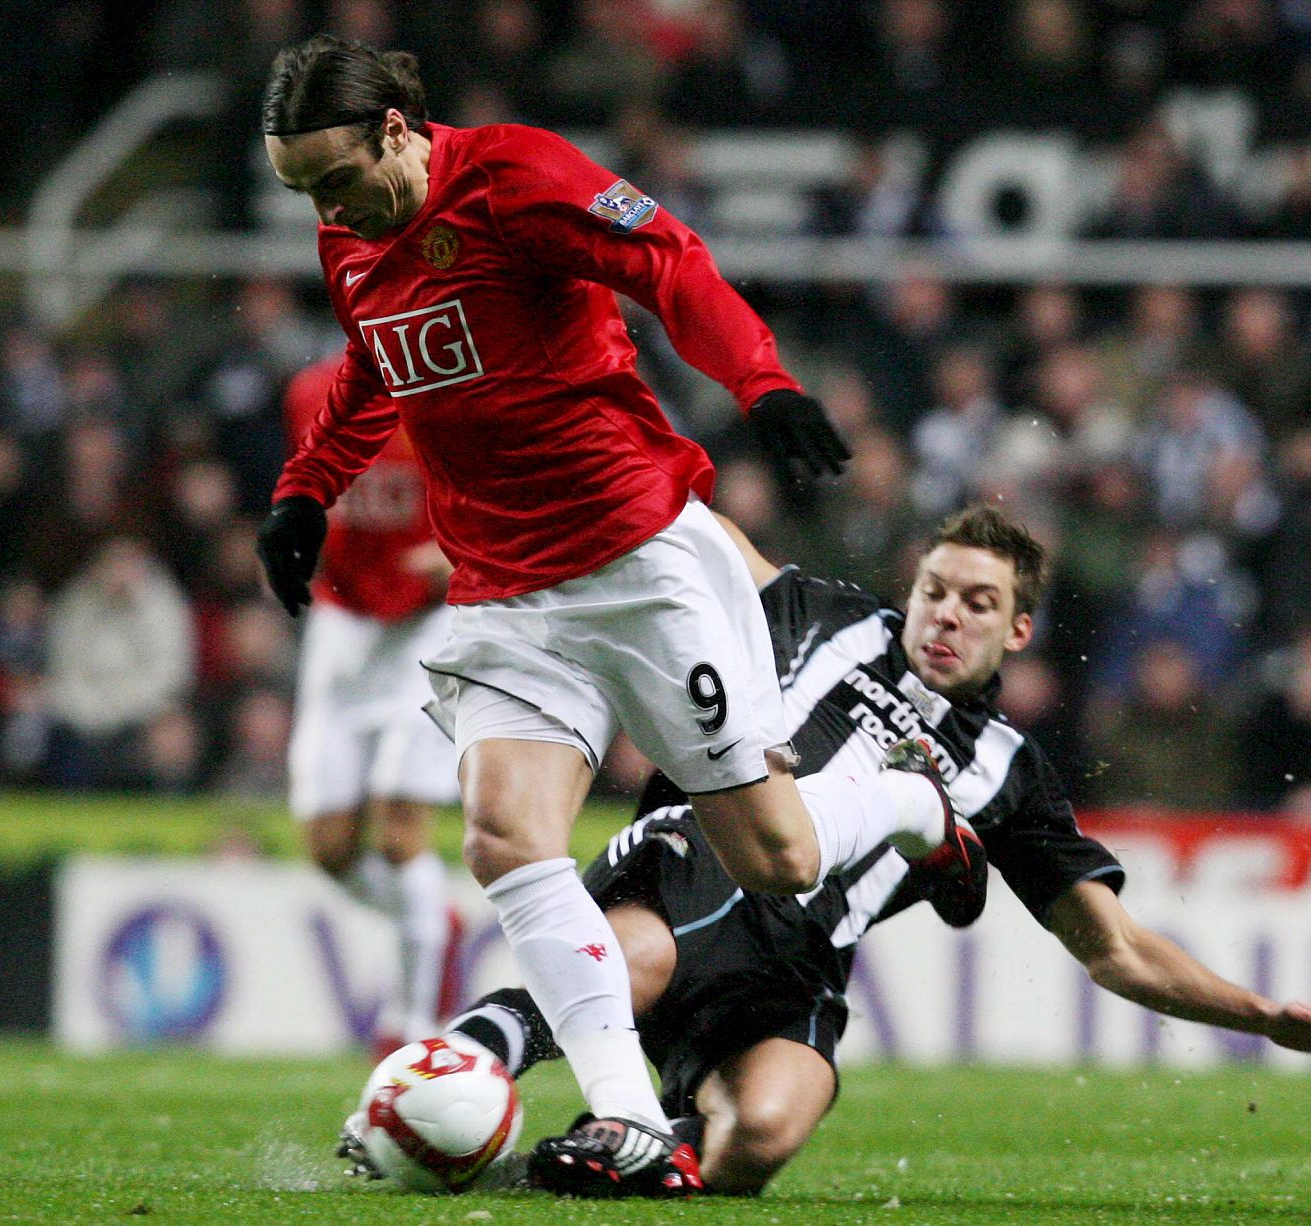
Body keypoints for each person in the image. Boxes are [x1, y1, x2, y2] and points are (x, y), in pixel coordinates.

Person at [256, 34, 982, 1198]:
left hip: (638, 558)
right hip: (501, 585)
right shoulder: (351, 222)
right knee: (502, 837)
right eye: (304, 191)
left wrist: (763, 381)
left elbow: (670, 263)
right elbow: (373, 362)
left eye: (336, 179)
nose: (328, 209)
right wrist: (305, 488)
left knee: (779, 856)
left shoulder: (518, 178)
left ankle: (904, 800)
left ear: (399, 128)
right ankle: (629, 1116)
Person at [393, 504, 1311, 1196]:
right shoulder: (817, 613)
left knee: (764, 1135)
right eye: (935, 590)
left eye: (977, 602)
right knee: (643, 957)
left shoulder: (1009, 770)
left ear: (1020, 628)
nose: (946, 614)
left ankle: (567, 1164)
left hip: (796, 959)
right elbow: (690, 528)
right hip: (694, 861)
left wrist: (1260, 1014)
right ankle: (451, 1072)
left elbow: (1112, 945)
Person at [281, 354, 461, 1056]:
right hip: (344, 620)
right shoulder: (308, 389)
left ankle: (412, 1031)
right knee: (328, 847)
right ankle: (426, 917)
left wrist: (459, 549)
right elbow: (304, 486)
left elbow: (502, 486)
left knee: (396, 832)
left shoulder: (451, 385)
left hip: (433, 622)